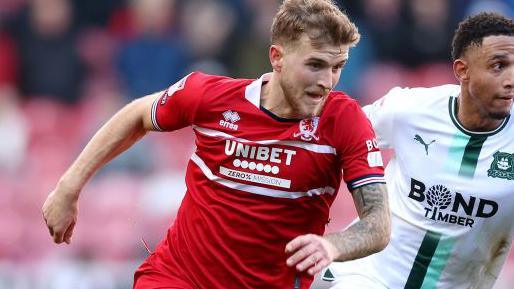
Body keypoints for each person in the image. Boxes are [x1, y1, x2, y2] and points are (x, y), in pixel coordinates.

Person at [42, 1, 391, 288]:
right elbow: (137, 114)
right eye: (315, 65)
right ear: (277, 57)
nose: (326, 81)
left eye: (337, 67)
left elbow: (377, 223)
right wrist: (68, 188)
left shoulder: (344, 120)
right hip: (178, 278)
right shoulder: (212, 97)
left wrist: (332, 245)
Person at [319, 12, 514, 289]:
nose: (511, 79)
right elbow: (333, 138)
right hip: (372, 275)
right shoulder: (408, 109)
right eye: (498, 66)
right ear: (462, 70)